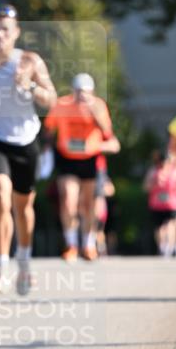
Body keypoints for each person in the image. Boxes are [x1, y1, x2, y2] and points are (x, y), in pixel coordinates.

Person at [0, 4, 56, 295]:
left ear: (16, 32)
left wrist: (30, 86)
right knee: (0, 194)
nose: (0, 34)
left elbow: (51, 100)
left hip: (26, 140)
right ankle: (0, 267)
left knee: (23, 207)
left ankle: (24, 263)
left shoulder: (29, 61)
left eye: (6, 29)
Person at [44, 73, 120, 261]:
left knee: (90, 204)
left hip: (91, 160)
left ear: (92, 92)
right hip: (67, 159)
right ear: (73, 91)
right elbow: (48, 129)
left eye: (86, 92)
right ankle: (71, 244)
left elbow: (108, 133)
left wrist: (95, 115)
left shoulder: (99, 105)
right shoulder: (62, 105)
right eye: (79, 91)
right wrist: (47, 150)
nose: (82, 96)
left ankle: (88, 244)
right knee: (68, 200)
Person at [144, 150, 176, 257]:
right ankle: (163, 246)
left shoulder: (175, 172)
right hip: (158, 204)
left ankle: (169, 247)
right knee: (161, 227)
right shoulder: (154, 172)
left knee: (170, 225)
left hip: (172, 204)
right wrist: (155, 183)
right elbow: (146, 187)